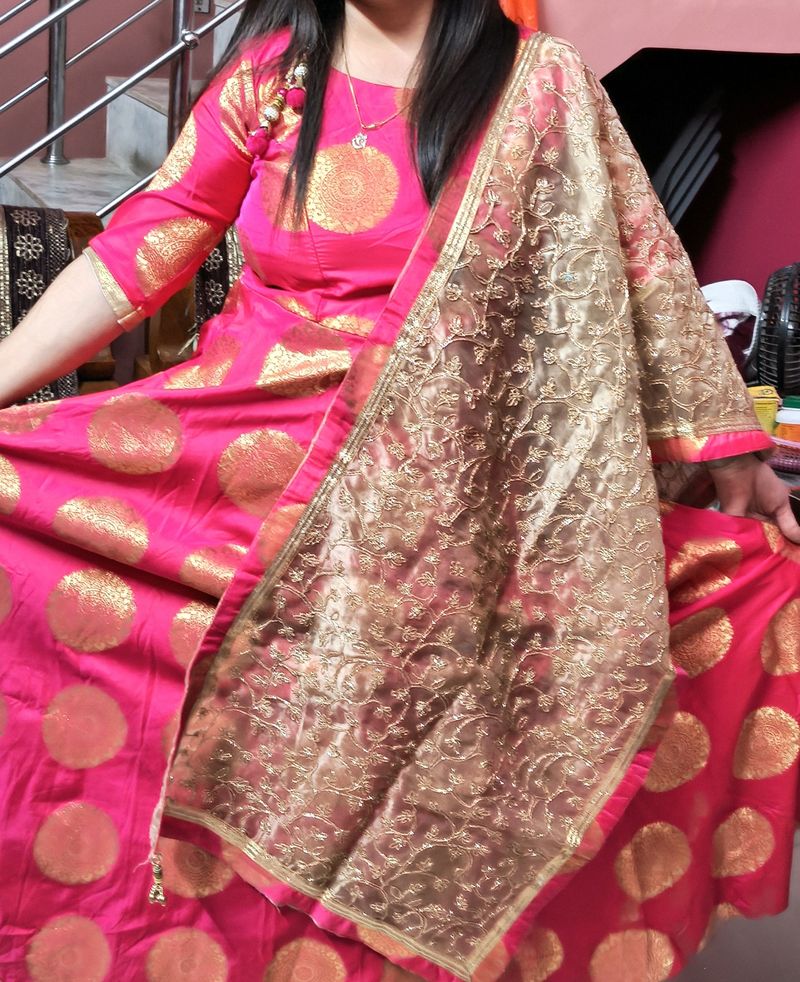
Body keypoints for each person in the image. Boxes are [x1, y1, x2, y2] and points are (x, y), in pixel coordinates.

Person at [1, 1, 799, 979]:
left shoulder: (538, 88)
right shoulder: (271, 81)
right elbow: (140, 250)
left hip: (455, 499)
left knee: (689, 606)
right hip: (246, 456)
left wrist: (738, 460)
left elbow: (648, 279)